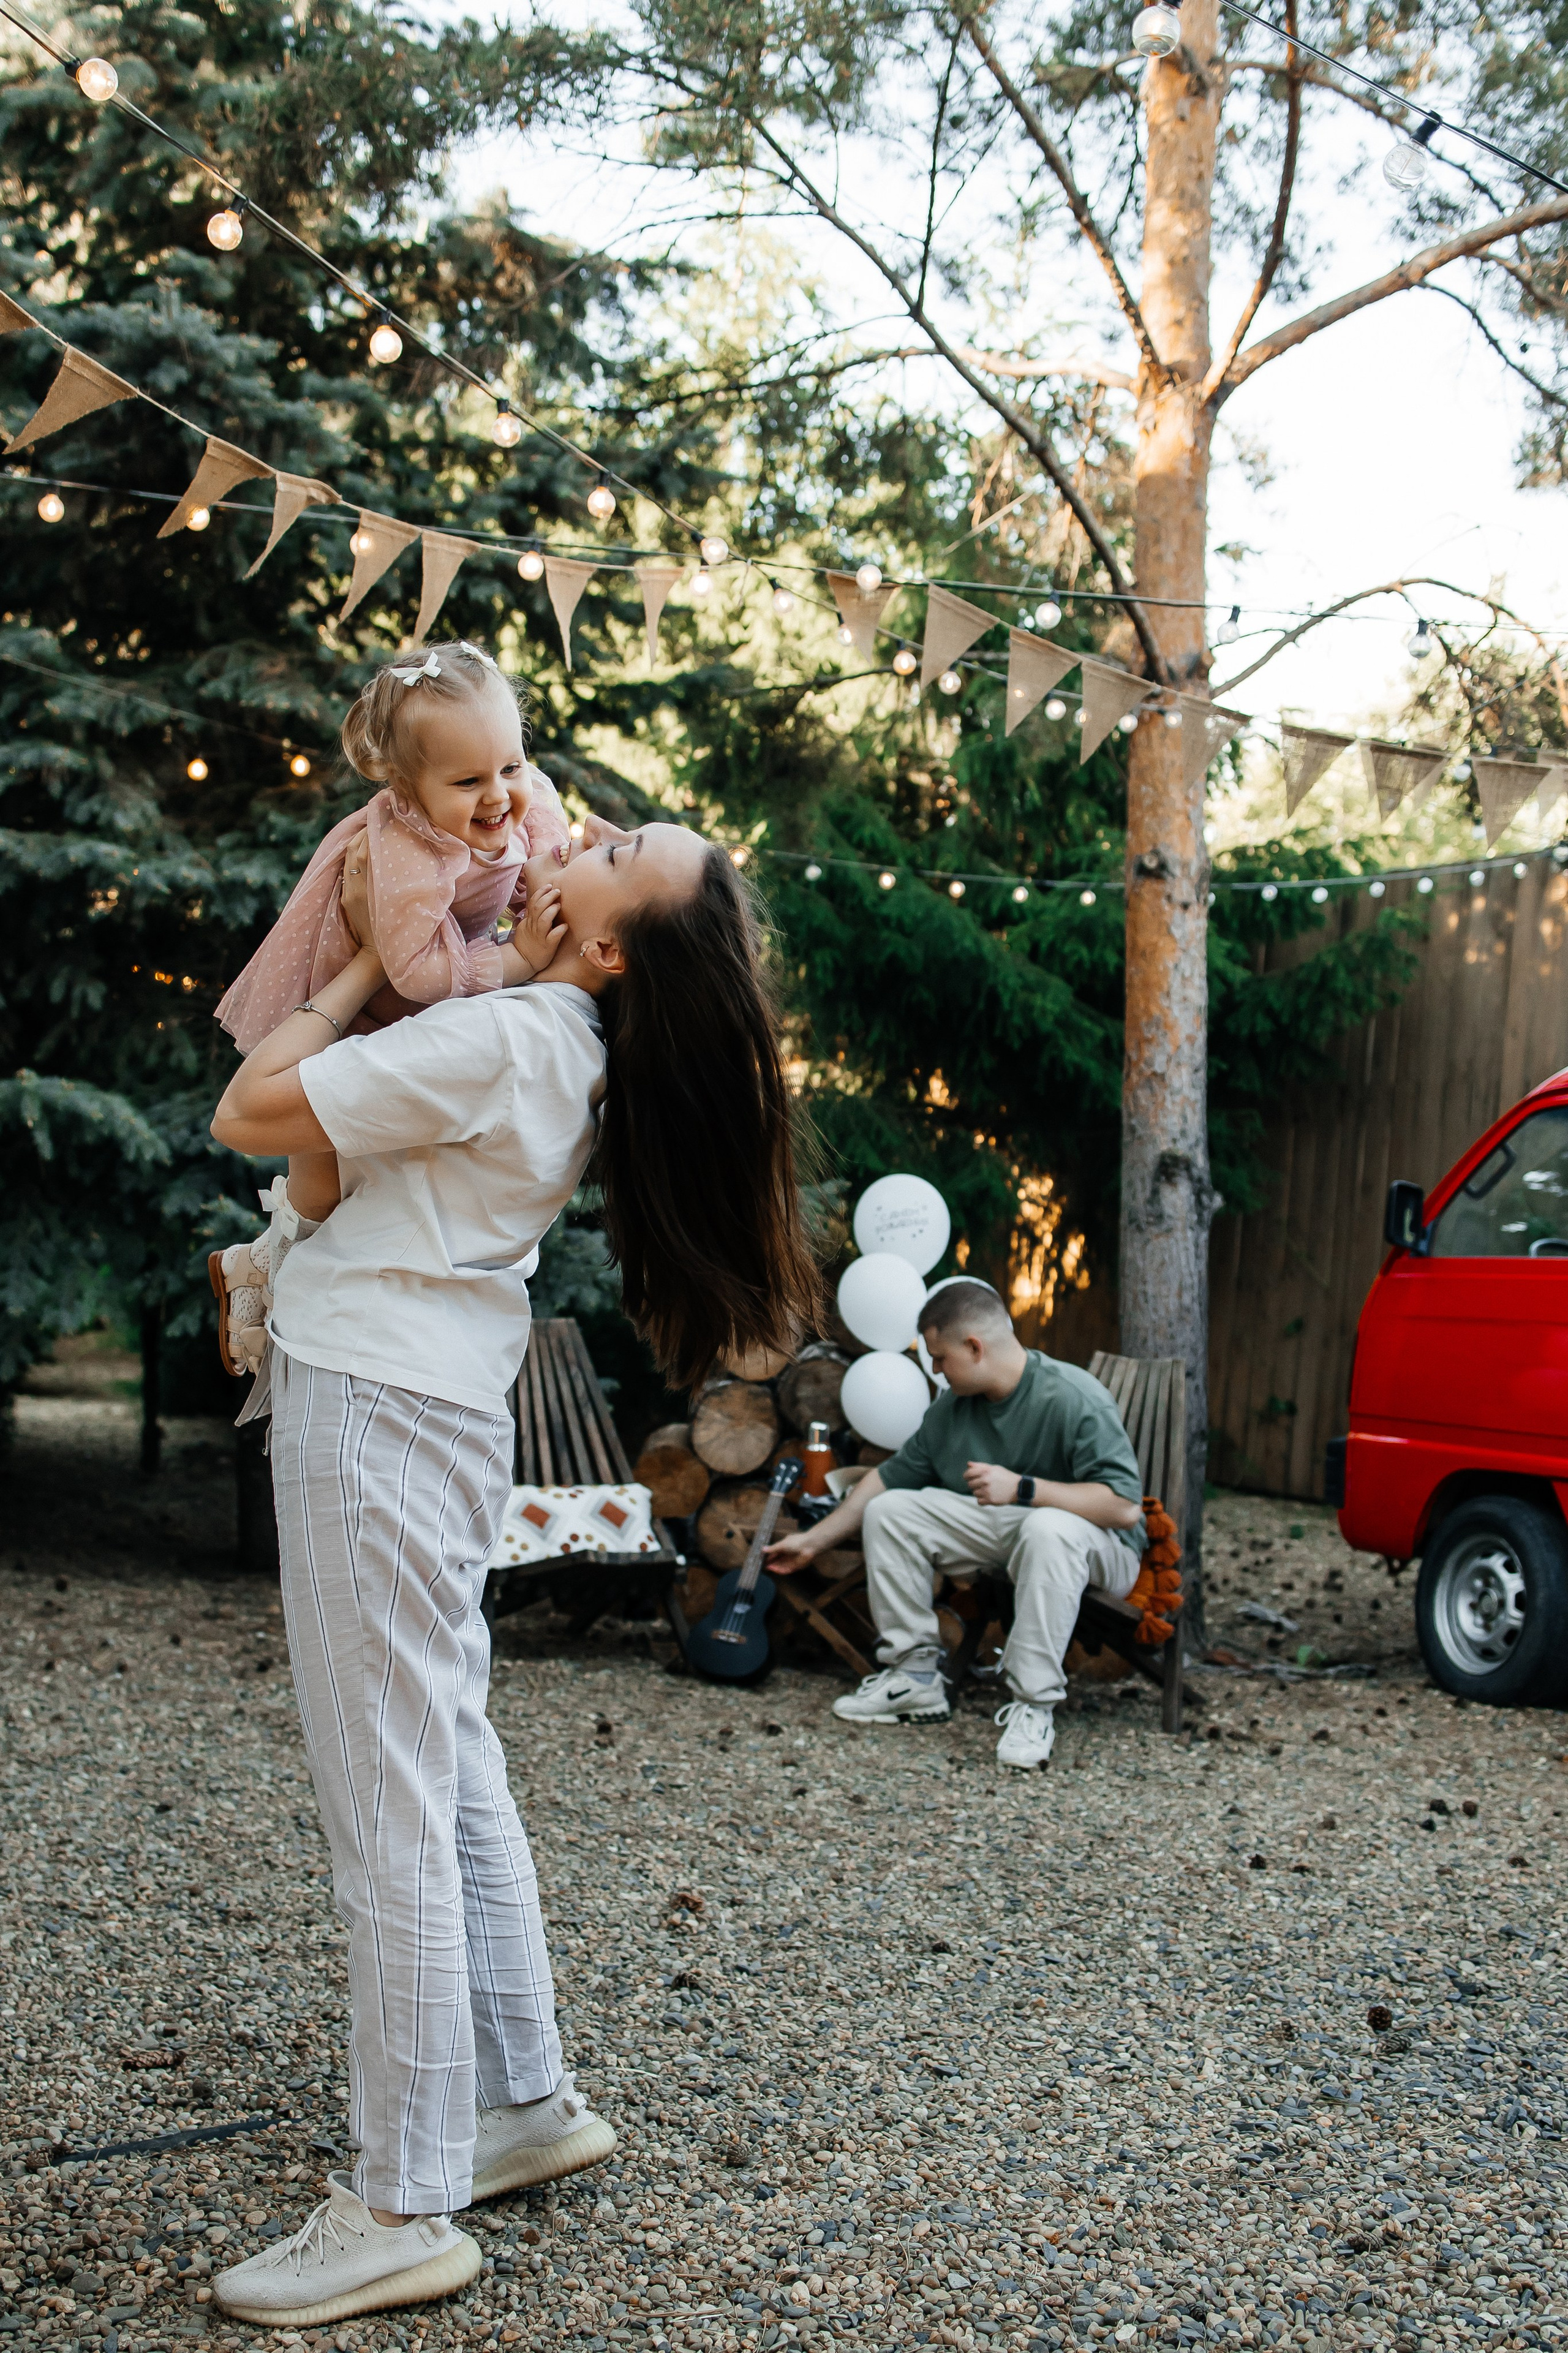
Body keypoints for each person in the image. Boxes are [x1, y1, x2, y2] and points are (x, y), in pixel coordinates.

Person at [205, 820, 820, 2327]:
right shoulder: (560, 1043)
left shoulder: (504, 1036)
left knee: (387, 1802)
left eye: (611, 848)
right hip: (436, 1402)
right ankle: (523, 2097)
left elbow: (250, 1107)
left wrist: (355, 953)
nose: (575, 832)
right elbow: (513, 809)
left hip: (372, 1406)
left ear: (602, 943)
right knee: (449, 1759)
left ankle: (400, 2198)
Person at [209, 640, 570, 1378]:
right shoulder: (407, 844)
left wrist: (541, 889)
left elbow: (542, 864)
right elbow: (411, 967)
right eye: (467, 781)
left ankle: (275, 1274)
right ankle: (267, 1272)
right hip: (366, 991)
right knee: (320, 1169)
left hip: (432, 986)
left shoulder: (522, 797)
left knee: (383, 1172)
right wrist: (520, 960)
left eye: (510, 765)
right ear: (407, 788)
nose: (499, 795)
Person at [765, 1279, 1145, 1770]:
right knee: (893, 1511)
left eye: (940, 1358)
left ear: (975, 1347)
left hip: (1098, 1545)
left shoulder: (1072, 1396)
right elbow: (887, 1479)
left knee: (1046, 1528)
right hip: (1014, 1530)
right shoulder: (952, 1410)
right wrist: (812, 1542)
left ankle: (1034, 1705)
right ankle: (915, 1677)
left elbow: (1123, 1507)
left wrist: (1024, 1488)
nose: (937, 1372)